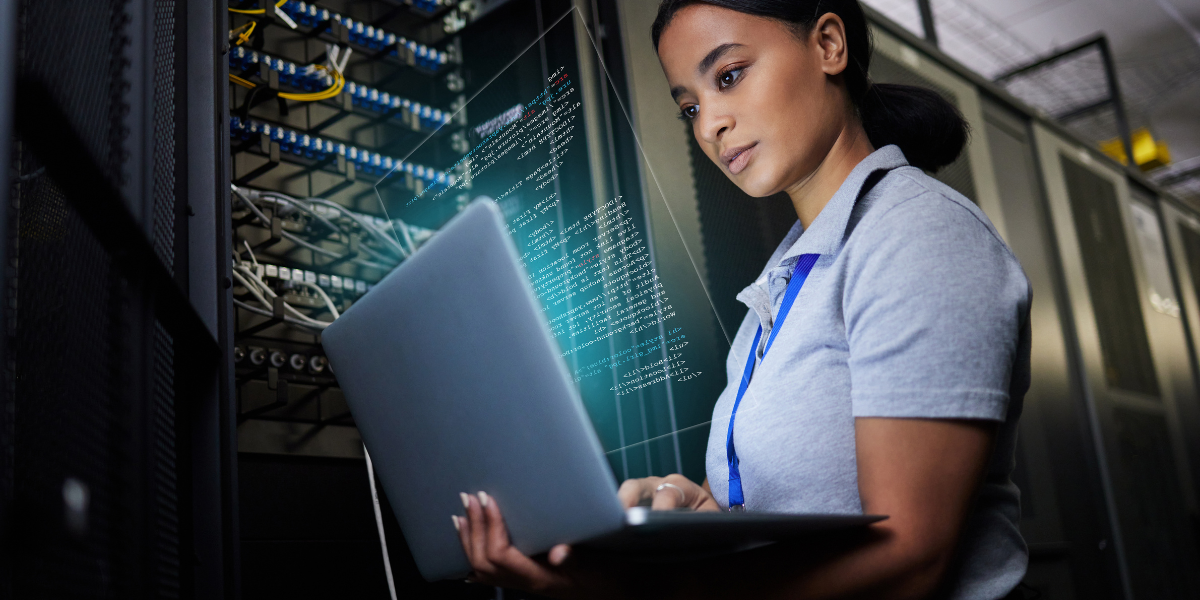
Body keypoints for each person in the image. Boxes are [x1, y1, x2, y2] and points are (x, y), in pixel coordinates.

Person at [452, 1, 1032, 598]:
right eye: (691, 108)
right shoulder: (786, 281)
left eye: (728, 76)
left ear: (828, 45)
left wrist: (641, 591)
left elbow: (910, 557)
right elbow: (784, 513)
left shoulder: (918, 235)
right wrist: (689, 504)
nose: (709, 126)